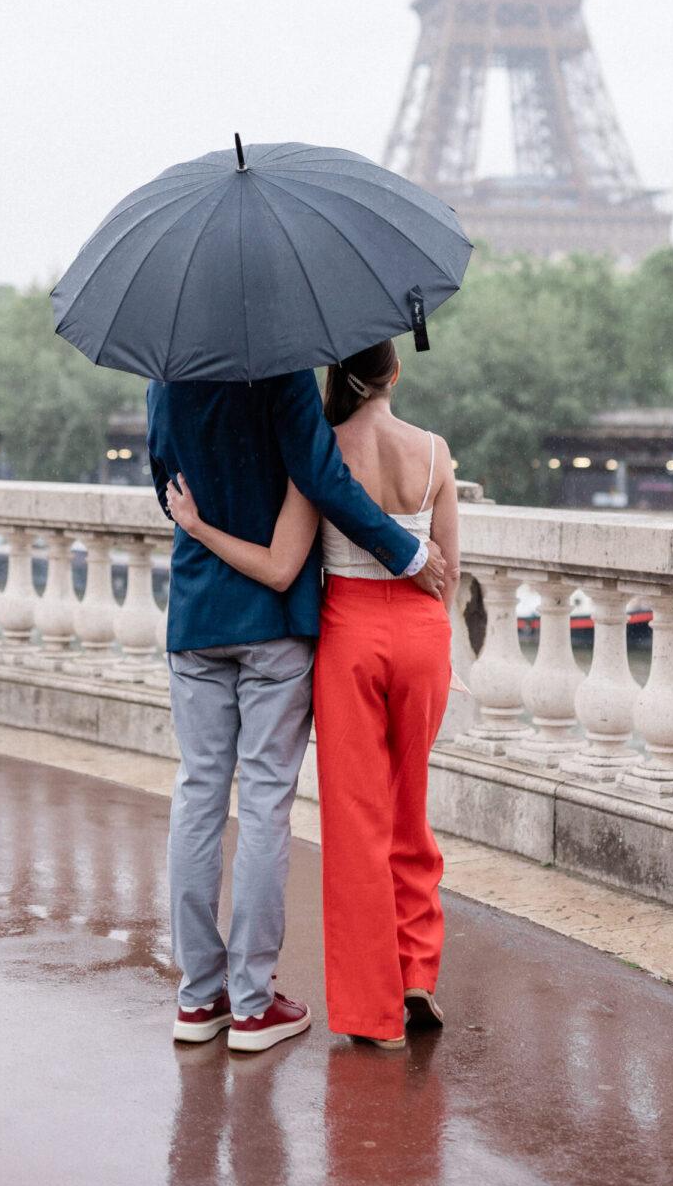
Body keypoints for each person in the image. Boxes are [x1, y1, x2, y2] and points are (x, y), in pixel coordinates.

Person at [165, 339, 460, 1050]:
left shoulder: (170, 376)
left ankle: (339, 1010)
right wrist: (411, 555)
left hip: (279, 623)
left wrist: (199, 525)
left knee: (247, 803)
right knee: (397, 805)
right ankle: (403, 969)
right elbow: (445, 570)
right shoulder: (430, 449)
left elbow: (170, 480)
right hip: (393, 632)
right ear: (394, 372)